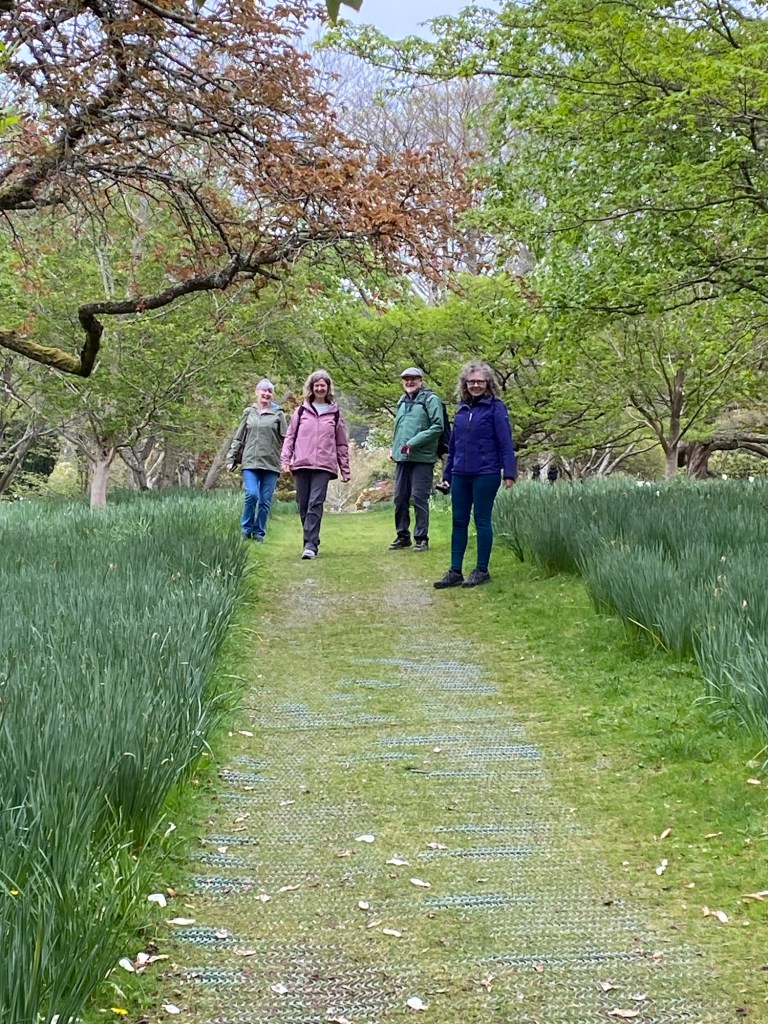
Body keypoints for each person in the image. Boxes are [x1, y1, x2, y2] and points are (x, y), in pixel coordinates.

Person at [434, 361, 517, 589]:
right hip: (460, 473)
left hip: (486, 472)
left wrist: (509, 473)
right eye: (471, 382)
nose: (476, 385)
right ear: (465, 384)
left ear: (488, 383)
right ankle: (455, 571)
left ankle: (481, 570)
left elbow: (505, 442)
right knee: (458, 521)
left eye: (480, 381)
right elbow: (454, 445)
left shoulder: (496, 408)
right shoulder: (461, 409)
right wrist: (447, 474)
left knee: (482, 520)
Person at [280, 369, 350, 560]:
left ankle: (310, 545)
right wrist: (285, 459)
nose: (319, 389)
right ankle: (310, 540)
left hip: (324, 466)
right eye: (316, 385)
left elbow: (341, 443)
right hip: (301, 464)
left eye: (323, 385)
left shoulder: (335, 414)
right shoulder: (301, 411)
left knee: (315, 503)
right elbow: (290, 437)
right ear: (311, 388)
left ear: (328, 388)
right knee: (303, 504)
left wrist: (345, 468)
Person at [388, 367, 444, 552]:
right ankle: (402, 536)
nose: (409, 382)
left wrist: (412, 443)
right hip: (402, 458)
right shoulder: (402, 401)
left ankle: (421, 538)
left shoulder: (431, 399)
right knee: (400, 498)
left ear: (421, 380)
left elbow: (438, 426)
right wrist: (394, 449)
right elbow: (399, 429)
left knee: (419, 498)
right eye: (406, 379)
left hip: (423, 458)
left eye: (413, 378)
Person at [226, 378, 287, 542]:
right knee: (251, 494)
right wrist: (231, 458)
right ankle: (246, 530)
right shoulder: (248, 412)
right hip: (250, 462)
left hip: (271, 464)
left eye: (270, 391)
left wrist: (288, 459)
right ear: (257, 392)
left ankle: (259, 533)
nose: (266, 393)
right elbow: (238, 437)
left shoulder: (278, 414)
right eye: (264, 390)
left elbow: (286, 439)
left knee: (265, 501)